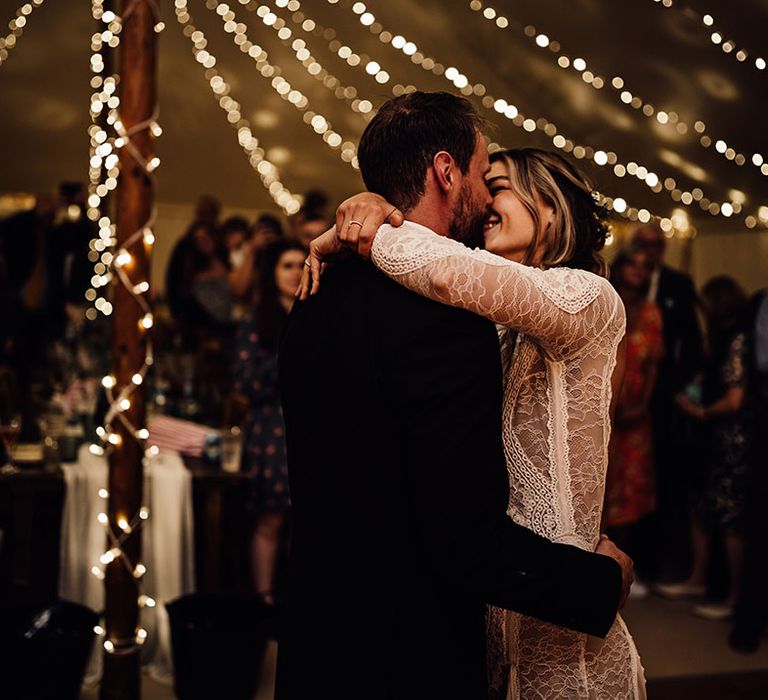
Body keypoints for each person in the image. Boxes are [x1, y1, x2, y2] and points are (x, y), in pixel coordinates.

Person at [279, 91, 633, 700]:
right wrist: (599, 582)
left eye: (503, 186)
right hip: (414, 648)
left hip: (321, 636)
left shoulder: (316, 298)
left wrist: (365, 226)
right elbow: (462, 542)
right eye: (482, 172)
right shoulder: (451, 321)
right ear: (447, 171)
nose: (487, 198)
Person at [662, 277, 752, 620]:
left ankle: (733, 597)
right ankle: (700, 580)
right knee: (701, 507)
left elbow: (734, 399)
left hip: (733, 441)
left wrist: (699, 410)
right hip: (714, 440)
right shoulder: (725, 338)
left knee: (730, 518)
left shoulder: (738, 339)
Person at [234, 239, 305, 607]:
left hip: (310, 425)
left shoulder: (316, 310)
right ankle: (263, 598)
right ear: (272, 273)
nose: (295, 272)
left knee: (306, 519)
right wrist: (290, 355)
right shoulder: (257, 321)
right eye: (286, 265)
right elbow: (247, 381)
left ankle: (297, 594)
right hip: (270, 428)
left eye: (299, 264)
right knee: (271, 518)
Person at [632, 223, 702, 580]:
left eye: (656, 244)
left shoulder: (678, 284)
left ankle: (659, 563)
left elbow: (691, 341)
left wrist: (681, 386)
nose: (649, 249)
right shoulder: (619, 273)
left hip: (663, 395)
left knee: (664, 479)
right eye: (643, 243)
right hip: (623, 390)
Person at [604, 246, 663, 595]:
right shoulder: (606, 300)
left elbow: (654, 364)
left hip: (636, 414)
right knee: (601, 484)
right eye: (634, 264)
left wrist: (642, 404)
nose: (639, 271)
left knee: (631, 491)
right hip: (602, 408)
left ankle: (623, 564)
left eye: (646, 266)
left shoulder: (653, 314)